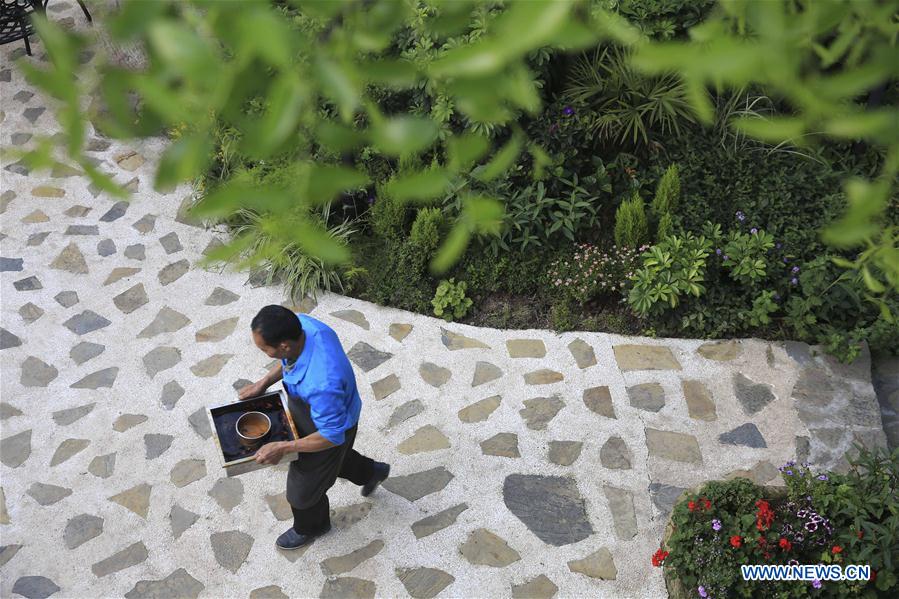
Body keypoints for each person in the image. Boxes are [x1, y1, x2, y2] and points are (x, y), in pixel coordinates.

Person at [239, 305, 390, 550]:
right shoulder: (303, 326)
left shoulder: (322, 384)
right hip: (323, 412)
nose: (265, 354)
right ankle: (371, 472)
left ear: (284, 345)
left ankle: (312, 527)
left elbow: (331, 436)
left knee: (301, 492)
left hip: (330, 429)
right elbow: (288, 360)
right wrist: (263, 382)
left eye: (265, 349)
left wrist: (284, 447)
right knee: (336, 461)